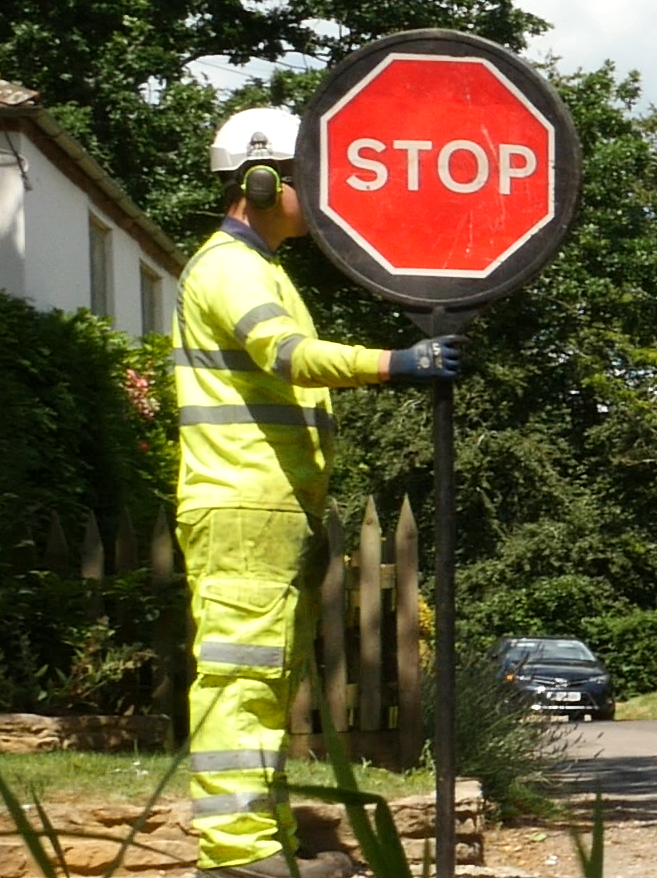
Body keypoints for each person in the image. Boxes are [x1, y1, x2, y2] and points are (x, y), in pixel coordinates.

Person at [177, 107, 463, 878]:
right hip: (243, 503)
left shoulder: (263, 268)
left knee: (265, 679)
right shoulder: (229, 267)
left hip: (263, 506)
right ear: (261, 179)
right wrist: (397, 364)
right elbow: (287, 354)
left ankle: (258, 838)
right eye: (312, 178)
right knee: (241, 677)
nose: (327, 195)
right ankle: (237, 856)